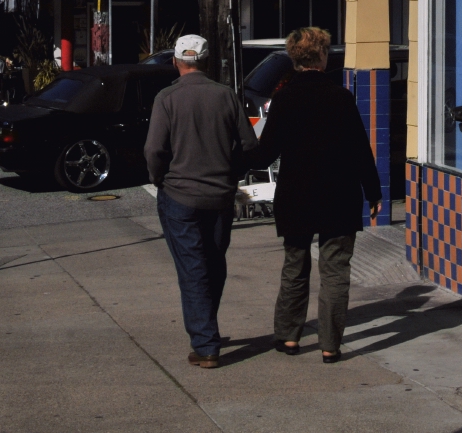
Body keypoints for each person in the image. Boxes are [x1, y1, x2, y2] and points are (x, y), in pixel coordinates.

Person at [244, 27, 381, 363]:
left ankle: (289, 337)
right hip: (339, 195)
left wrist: (234, 156)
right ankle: (330, 345)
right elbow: (360, 150)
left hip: (297, 195)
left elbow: (265, 153)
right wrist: (374, 190)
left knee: (295, 264)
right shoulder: (340, 97)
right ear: (322, 56)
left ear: (295, 58)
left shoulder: (285, 97)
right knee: (335, 270)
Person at [144, 34, 258, 370]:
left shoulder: (166, 98)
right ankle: (206, 326)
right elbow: (249, 147)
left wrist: (159, 177)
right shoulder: (226, 96)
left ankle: (206, 343)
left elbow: (154, 150)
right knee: (213, 262)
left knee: (193, 269)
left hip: (179, 195)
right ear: (206, 61)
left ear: (176, 61)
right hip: (219, 196)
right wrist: (231, 173)